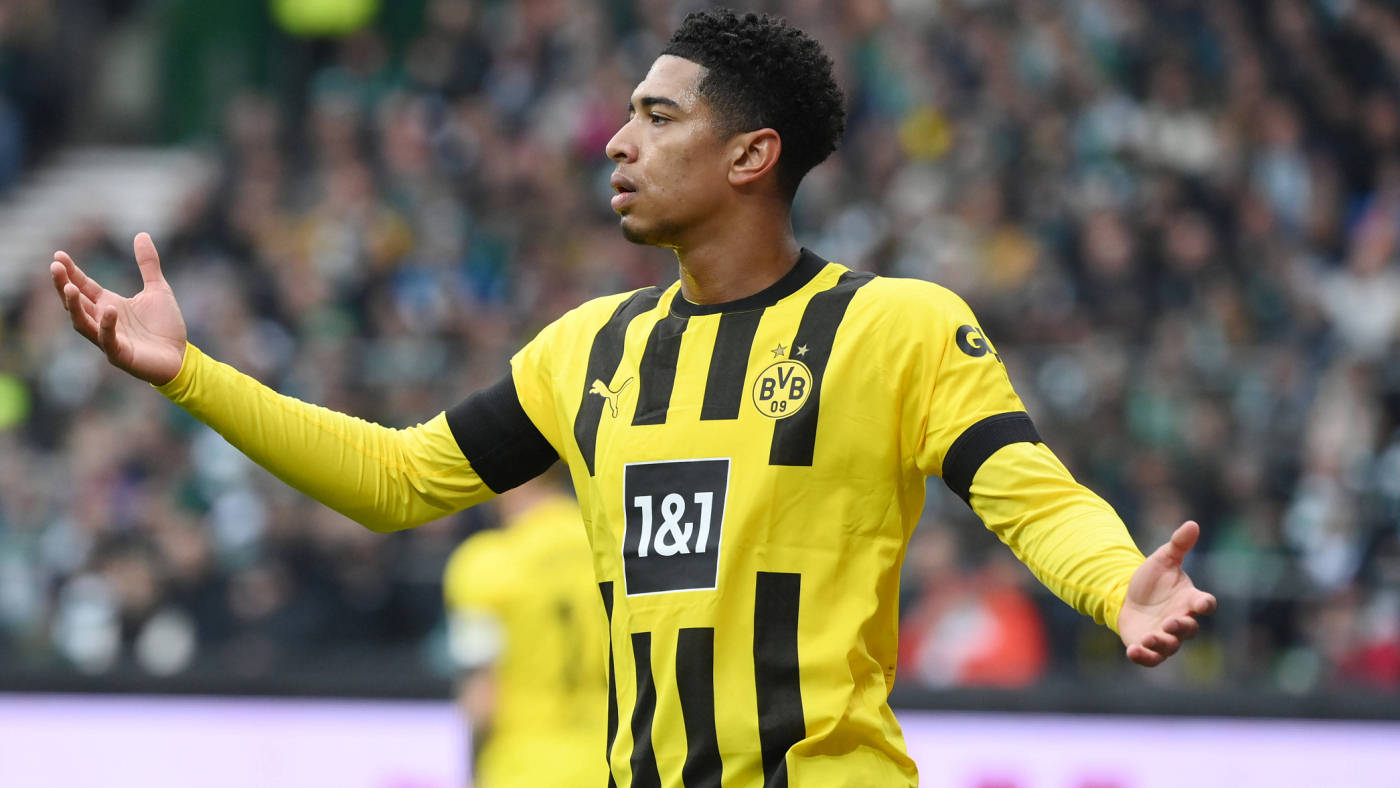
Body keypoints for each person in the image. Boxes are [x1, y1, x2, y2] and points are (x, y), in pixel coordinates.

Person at [50, 8, 1216, 786]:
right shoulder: (588, 349)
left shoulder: (891, 326)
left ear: (750, 156)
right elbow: (396, 479)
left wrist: (1112, 579)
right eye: (624, 115)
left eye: (657, 118)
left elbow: (1025, 491)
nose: (615, 141)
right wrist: (191, 375)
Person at [442, 476, 608, 788]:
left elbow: (482, 694)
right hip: (608, 765)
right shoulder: (610, 551)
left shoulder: (485, 565)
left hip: (522, 767)